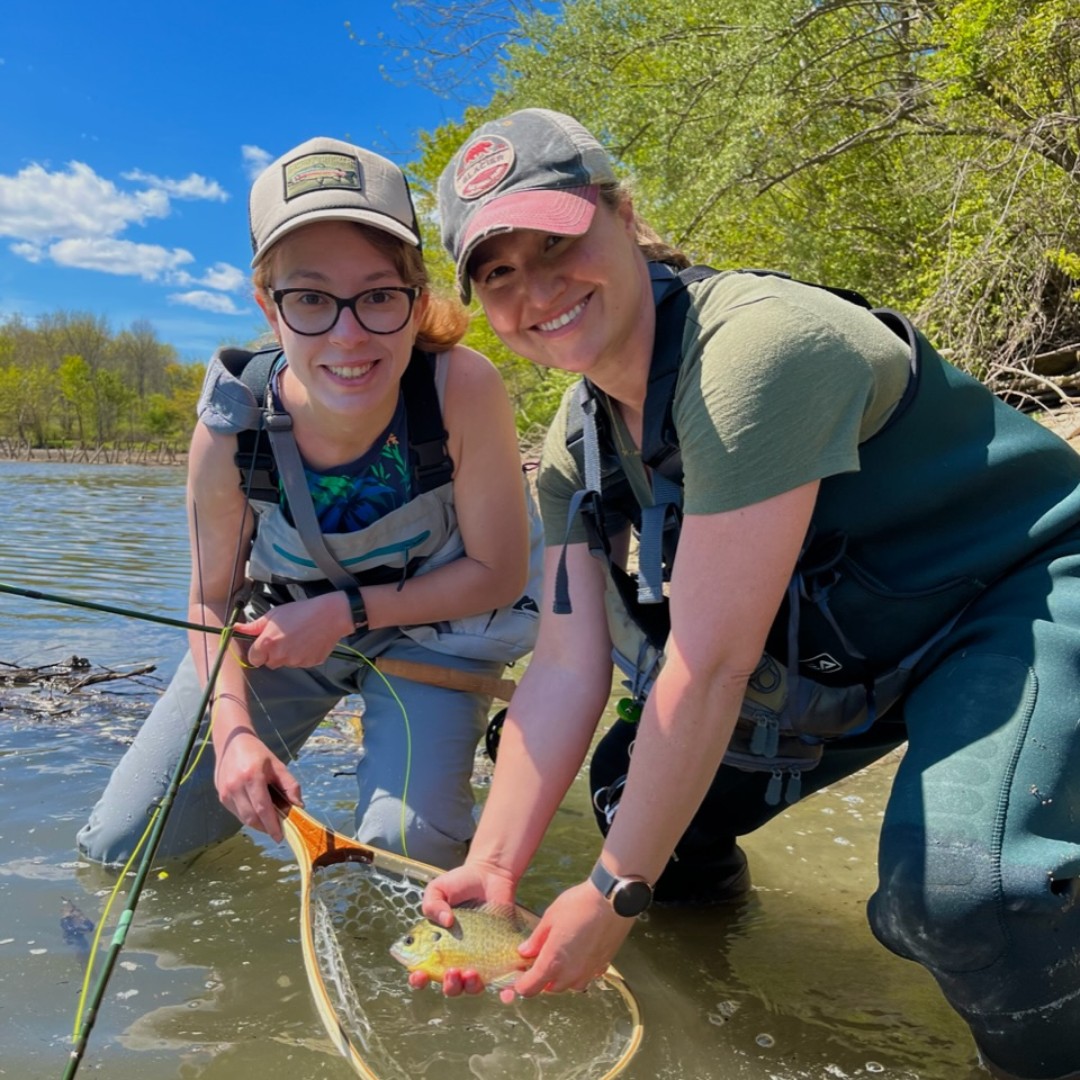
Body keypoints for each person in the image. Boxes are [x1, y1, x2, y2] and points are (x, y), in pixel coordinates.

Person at [416, 108, 1080, 1080]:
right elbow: (562, 665)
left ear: (623, 213)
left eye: (556, 240)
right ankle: (722, 999)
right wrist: (497, 865)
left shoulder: (754, 354)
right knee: (628, 801)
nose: (538, 288)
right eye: (500, 271)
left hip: (1017, 592)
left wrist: (612, 895)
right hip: (847, 658)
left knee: (965, 891)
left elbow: (712, 662)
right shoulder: (573, 447)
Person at [78, 136, 542, 871]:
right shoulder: (228, 432)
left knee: (404, 854)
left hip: (435, 633)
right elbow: (209, 602)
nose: (348, 333)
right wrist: (232, 732)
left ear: (417, 299)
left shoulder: (464, 390)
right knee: (123, 847)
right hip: (284, 633)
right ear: (269, 307)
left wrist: (341, 614)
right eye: (312, 299)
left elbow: (498, 573)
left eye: (379, 296)